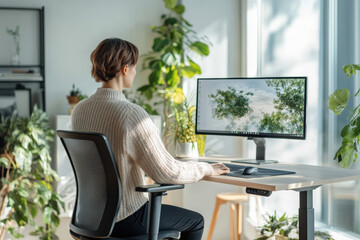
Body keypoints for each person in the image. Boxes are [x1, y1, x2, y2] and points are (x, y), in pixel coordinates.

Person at [71, 38, 230, 239]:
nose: (135, 73)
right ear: (125, 69)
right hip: (126, 217)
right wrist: (208, 168)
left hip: (91, 218)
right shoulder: (131, 114)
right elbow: (167, 173)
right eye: (135, 67)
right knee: (195, 221)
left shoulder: (80, 110)